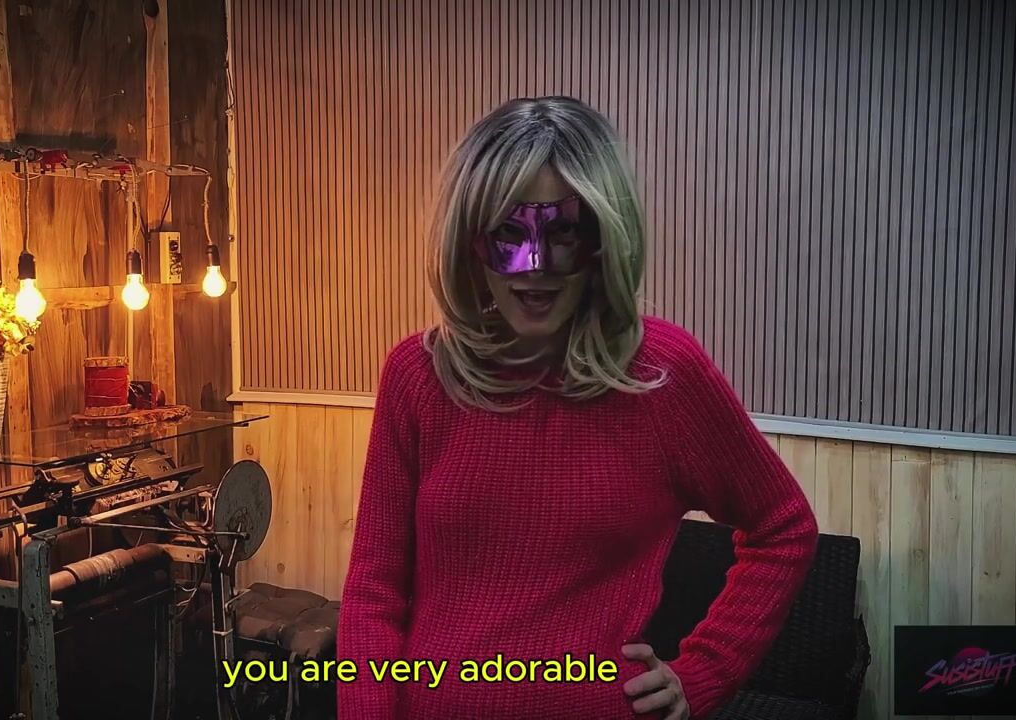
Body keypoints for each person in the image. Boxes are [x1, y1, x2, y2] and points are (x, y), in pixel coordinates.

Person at [337, 96, 819, 719]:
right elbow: (375, 592)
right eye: (508, 231)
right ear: (469, 239)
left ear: (604, 238)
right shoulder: (419, 376)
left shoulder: (662, 374)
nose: (534, 267)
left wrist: (704, 671)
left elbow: (784, 527)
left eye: (563, 232)